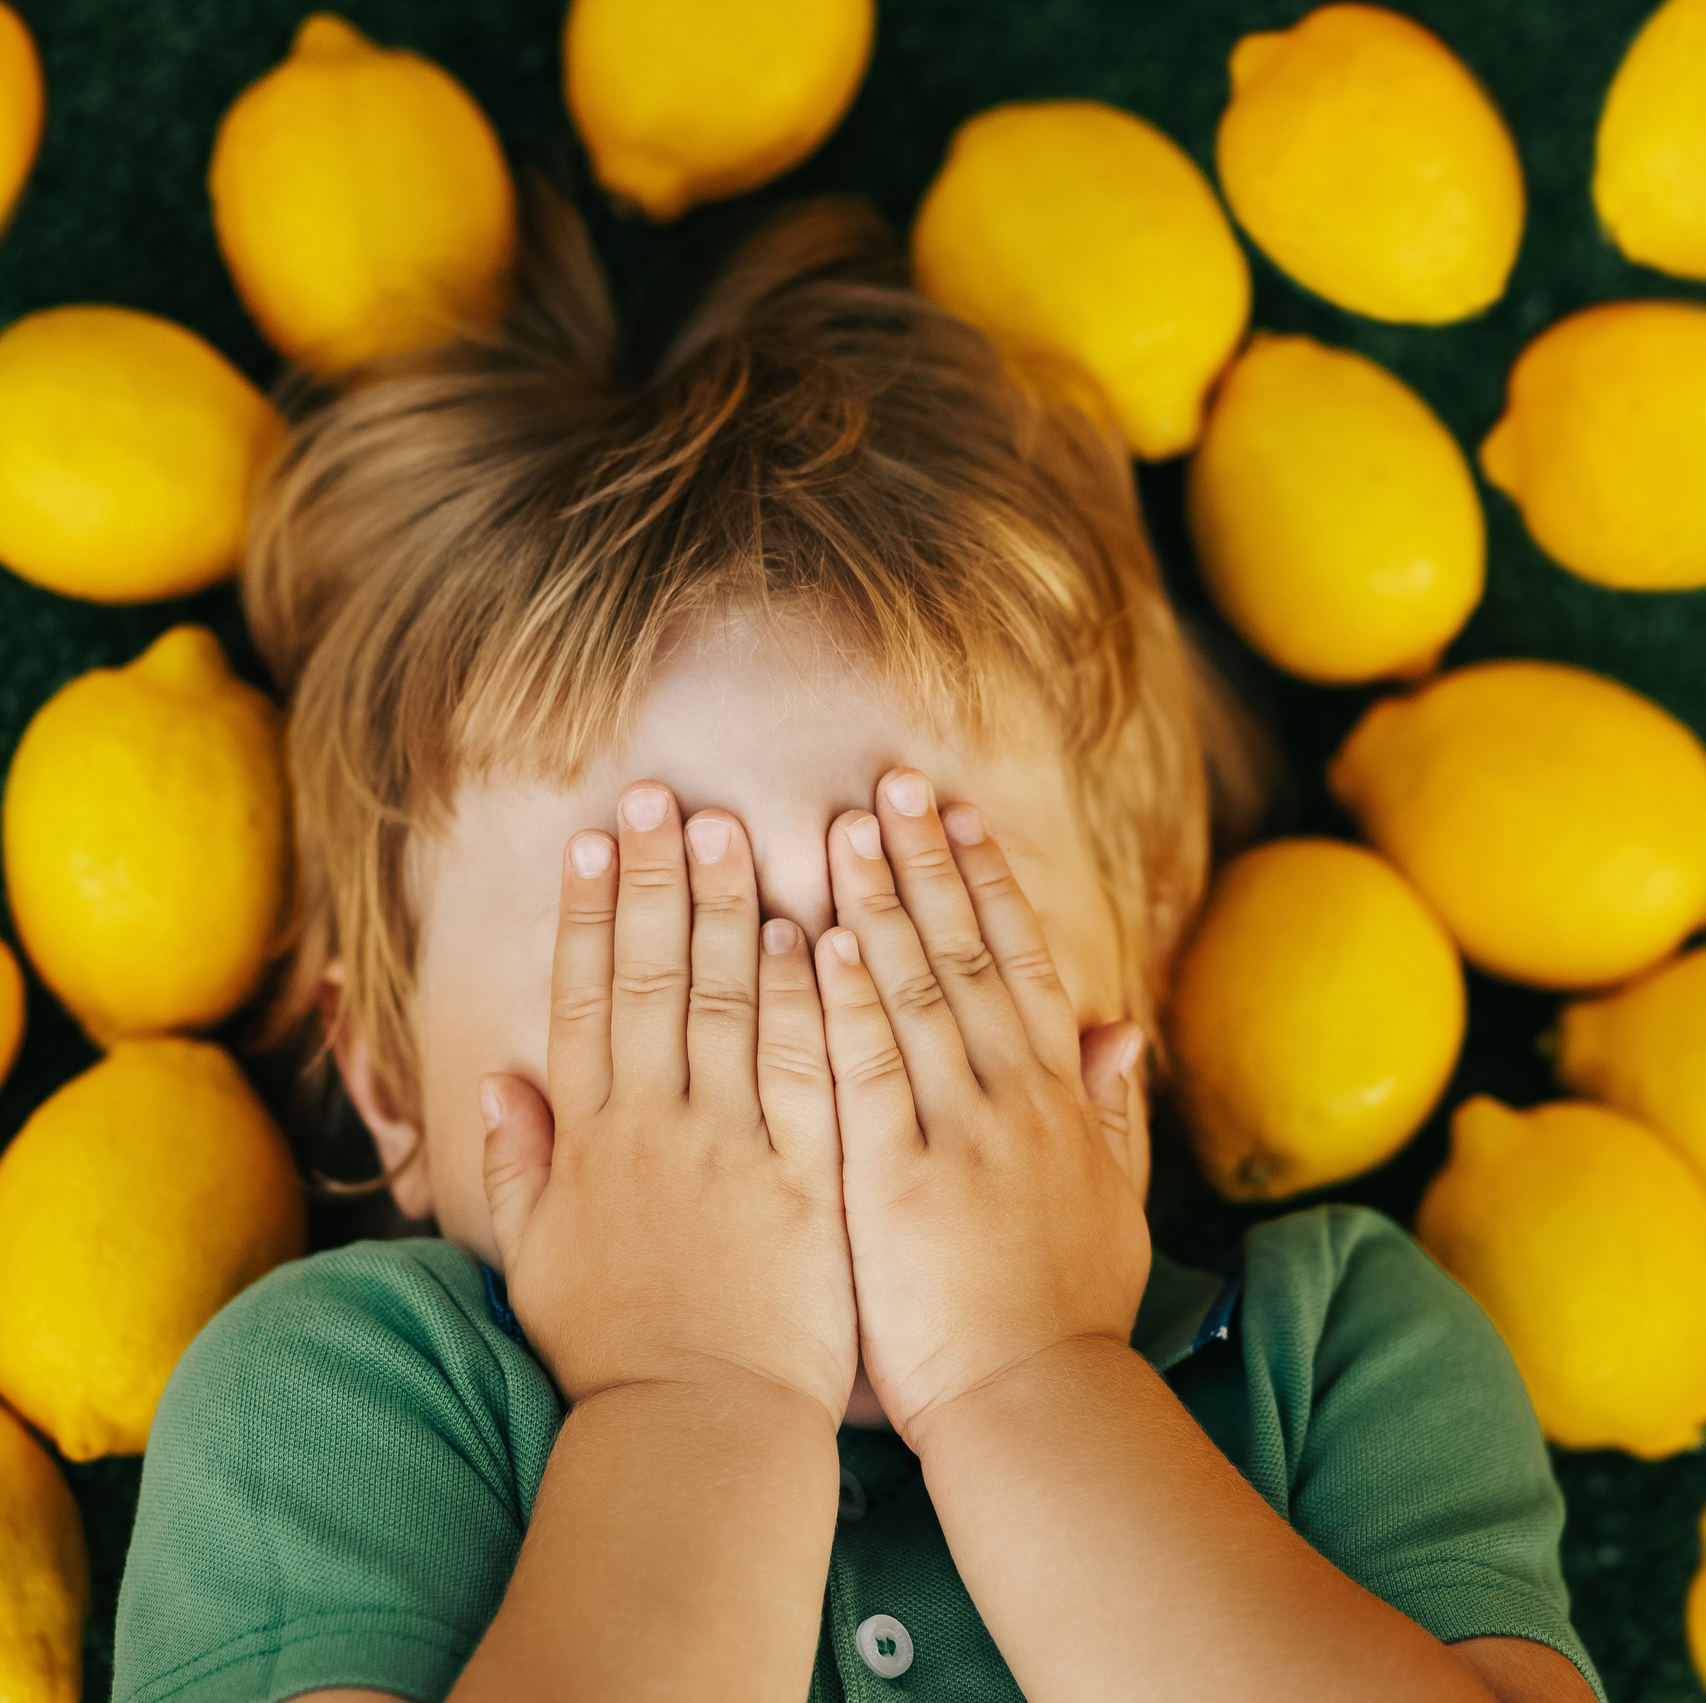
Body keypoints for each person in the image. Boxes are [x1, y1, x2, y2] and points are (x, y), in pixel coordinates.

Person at [112, 196, 1602, 1703]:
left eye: (913, 916)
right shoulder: (335, 1404)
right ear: (386, 1079)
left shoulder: (1332, 1348)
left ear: (1140, 964)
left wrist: (1033, 1376)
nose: (807, 1036)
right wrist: (691, 1399)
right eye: (659, 950)